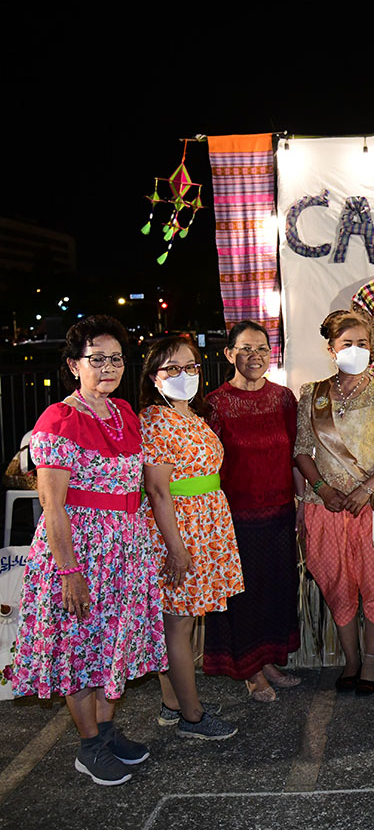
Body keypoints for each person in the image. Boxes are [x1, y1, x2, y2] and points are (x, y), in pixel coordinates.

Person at [10, 316, 165, 785]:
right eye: (96, 358)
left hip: (124, 552)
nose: (108, 367)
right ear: (74, 365)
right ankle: (89, 746)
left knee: (112, 643)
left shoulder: (124, 413)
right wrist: (69, 571)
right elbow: (52, 504)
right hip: (80, 551)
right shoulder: (59, 420)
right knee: (77, 649)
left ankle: (107, 732)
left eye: (116, 358)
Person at [294, 309, 374, 695]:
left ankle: (372, 660)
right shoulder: (312, 394)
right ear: (331, 349)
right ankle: (351, 660)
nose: (356, 350)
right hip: (327, 506)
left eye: (363, 343)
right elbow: (302, 450)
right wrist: (323, 488)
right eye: (347, 344)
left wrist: (365, 489)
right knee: (337, 585)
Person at [141, 335, 242, 741]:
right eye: (172, 368)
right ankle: (193, 716)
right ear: (154, 376)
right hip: (180, 529)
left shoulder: (191, 415)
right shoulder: (157, 420)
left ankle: (174, 703)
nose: (184, 374)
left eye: (191, 366)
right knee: (177, 625)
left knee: (181, 621)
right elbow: (157, 489)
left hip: (205, 525)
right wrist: (176, 549)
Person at [204, 321, 301, 702]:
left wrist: (301, 504)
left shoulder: (283, 398)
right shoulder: (215, 403)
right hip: (236, 518)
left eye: (261, 348)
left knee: (277, 590)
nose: (255, 356)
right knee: (244, 596)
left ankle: (269, 660)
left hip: (280, 514)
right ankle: (251, 670)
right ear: (229, 354)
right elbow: (209, 466)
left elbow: (295, 453)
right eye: (245, 349)